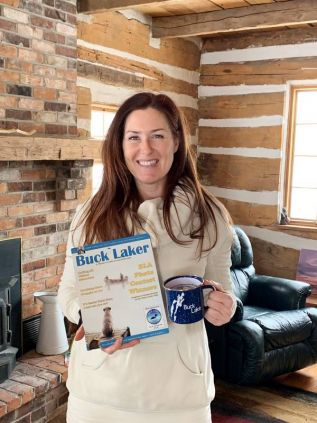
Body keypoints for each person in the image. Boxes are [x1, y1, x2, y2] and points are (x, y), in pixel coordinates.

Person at [58, 92, 236, 423]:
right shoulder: (90, 215)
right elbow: (68, 291)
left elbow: (223, 290)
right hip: (98, 392)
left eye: (157, 136)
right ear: (120, 145)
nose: (146, 149)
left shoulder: (210, 215)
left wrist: (224, 308)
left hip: (179, 394)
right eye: (134, 138)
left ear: (176, 141)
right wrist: (92, 317)